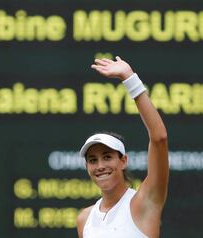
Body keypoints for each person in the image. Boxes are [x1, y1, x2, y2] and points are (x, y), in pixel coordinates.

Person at [76, 56, 169, 238]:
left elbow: (159, 138)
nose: (100, 165)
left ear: (123, 161)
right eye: (92, 160)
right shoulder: (84, 219)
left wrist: (129, 78)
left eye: (107, 156)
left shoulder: (144, 202)